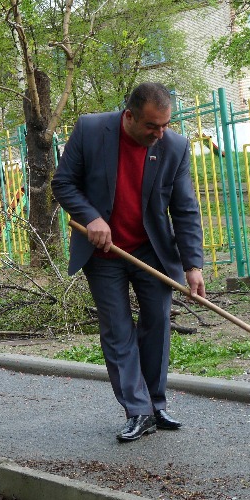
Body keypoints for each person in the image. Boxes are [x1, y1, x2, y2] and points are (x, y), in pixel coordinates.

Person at [52, 82, 205, 443]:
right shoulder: (91, 130)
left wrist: (192, 264)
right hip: (105, 254)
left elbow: (184, 209)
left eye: (165, 125)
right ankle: (138, 411)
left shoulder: (174, 147)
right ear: (130, 116)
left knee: (157, 323)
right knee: (118, 329)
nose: (160, 133)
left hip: (151, 249)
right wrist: (90, 217)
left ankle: (156, 403)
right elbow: (63, 183)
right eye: (152, 126)